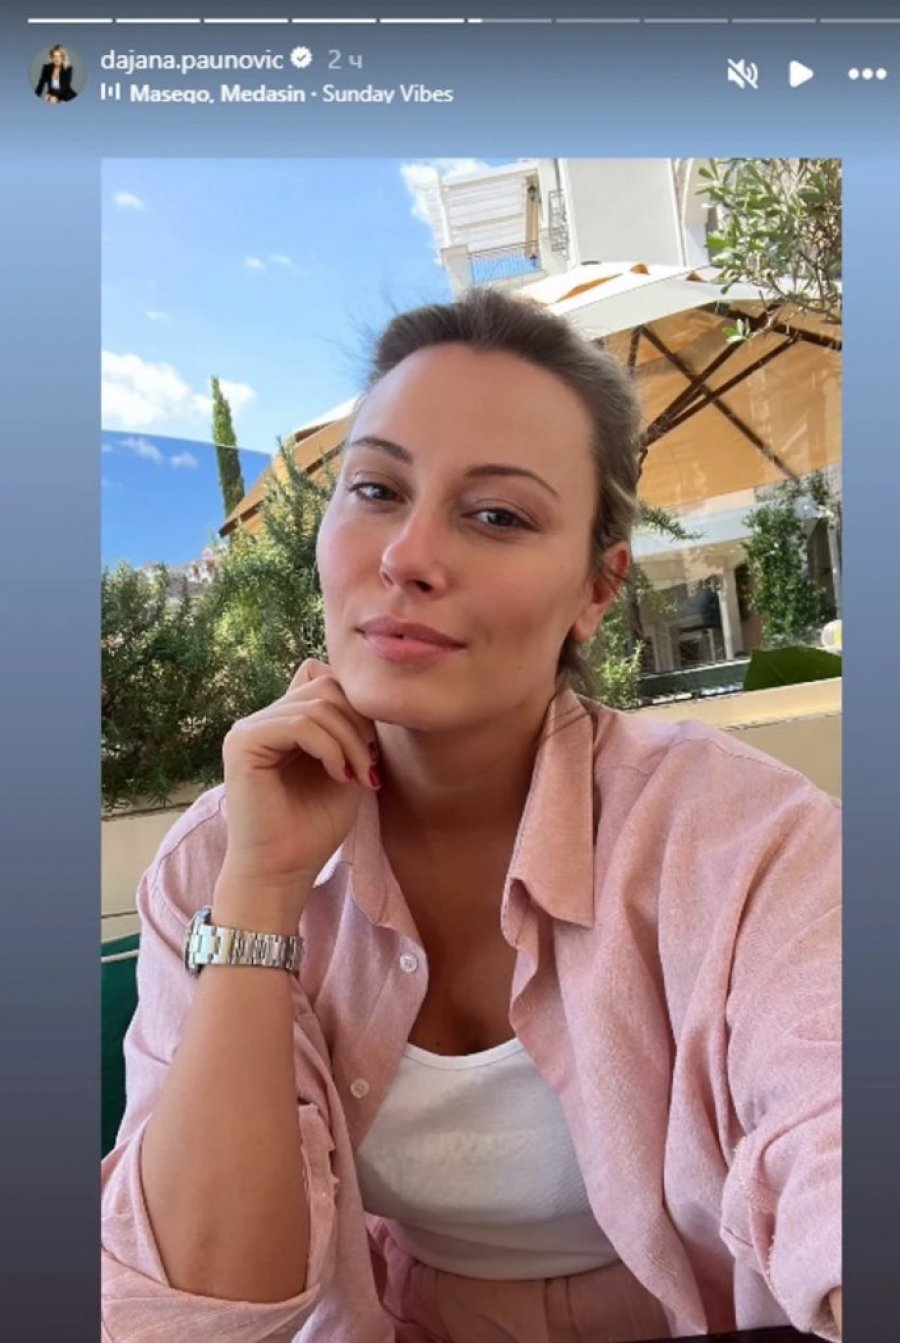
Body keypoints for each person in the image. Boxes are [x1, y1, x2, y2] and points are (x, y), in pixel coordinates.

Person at [100, 288, 841, 1342]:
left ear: (596, 590)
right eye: (376, 489)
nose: (407, 556)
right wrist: (262, 890)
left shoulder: (741, 838)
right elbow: (196, 1304)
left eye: (497, 514)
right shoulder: (219, 859)